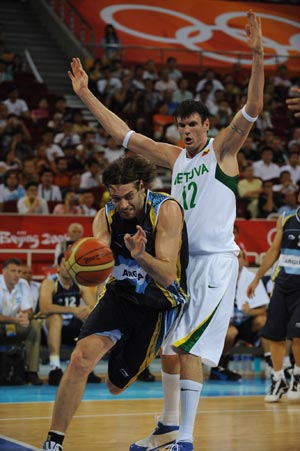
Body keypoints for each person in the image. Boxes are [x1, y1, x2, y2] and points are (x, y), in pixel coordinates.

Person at [66, 10, 264, 451]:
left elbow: (252, 109)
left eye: (194, 125)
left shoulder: (223, 151)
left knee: (186, 347)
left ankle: (186, 439)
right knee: (170, 349)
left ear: (207, 128)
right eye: (182, 125)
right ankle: (168, 425)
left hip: (214, 263)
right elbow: (124, 135)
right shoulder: (175, 158)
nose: (188, 131)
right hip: (179, 264)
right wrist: (86, 95)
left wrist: (257, 54)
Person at [42, 155, 188, 451]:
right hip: (119, 295)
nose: (122, 204)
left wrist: (140, 256)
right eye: (115, 196)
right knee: (80, 360)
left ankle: (122, 344)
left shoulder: (167, 210)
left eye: (128, 196)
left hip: (157, 303)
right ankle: (53, 441)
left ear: (142, 186)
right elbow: (98, 261)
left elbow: (169, 274)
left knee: (114, 386)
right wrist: (80, 263)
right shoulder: (106, 216)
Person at [247, 193, 300, 402]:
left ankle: (297, 376)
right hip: (282, 285)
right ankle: (279, 380)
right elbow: (273, 251)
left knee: (297, 336)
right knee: (274, 336)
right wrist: (257, 277)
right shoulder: (286, 218)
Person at [38, 253, 100, 386]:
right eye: (65, 264)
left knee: (91, 318)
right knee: (55, 318)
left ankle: (87, 368)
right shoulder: (49, 282)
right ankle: (55, 368)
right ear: (58, 268)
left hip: (73, 326)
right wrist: (72, 309)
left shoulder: (80, 283)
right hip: (51, 329)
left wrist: (86, 311)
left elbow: (93, 307)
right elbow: (44, 308)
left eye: (71, 265)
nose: (68, 268)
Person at [210, 250, 270, 381]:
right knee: (230, 333)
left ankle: (270, 362)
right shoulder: (219, 276)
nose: (237, 259)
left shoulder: (252, 278)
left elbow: (263, 310)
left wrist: (250, 311)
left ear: (245, 260)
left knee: (262, 320)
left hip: (246, 324)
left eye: (239, 257)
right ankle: (220, 366)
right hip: (225, 324)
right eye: (234, 257)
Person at [0, 258, 42, 385]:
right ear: (4, 271)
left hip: (16, 325)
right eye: (13, 271)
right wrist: (14, 319)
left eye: (19, 271)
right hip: (2, 325)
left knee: (34, 326)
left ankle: (31, 372)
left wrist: (26, 317)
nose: (17, 275)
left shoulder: (22, 284)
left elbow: (29, 311)